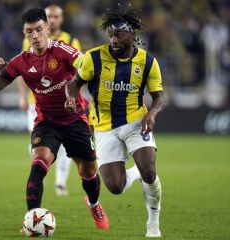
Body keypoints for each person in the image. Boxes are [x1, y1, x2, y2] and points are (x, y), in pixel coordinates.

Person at [0, 7, 109, 232]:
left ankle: (93, 203)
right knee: (38, 165)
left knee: (89, 173)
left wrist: (76, 92)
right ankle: (31, 221)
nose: (35, 36)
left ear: (48, 29)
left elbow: (89, 69)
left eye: (39, 30)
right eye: (29, 31)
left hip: (75, 120)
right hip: (47, 123)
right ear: (25, 34)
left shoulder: (64, 51)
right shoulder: (20, 61)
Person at [65, 7, 164, 237]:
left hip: (135, 122)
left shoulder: (147, 62)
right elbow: (73, 84)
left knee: (150, 171)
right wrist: (72, 98)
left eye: (118, 35)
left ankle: (153, 224)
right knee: (115, 188)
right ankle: (136, 173)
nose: (113, 40)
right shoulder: (93, 58)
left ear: (132, 34)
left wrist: (152, 113)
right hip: (103, 127)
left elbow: (159, 97)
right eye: (110, 35)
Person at [18, 4, 83, 196]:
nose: (53, 20)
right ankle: (39, 176)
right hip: (37, 101)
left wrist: (73, 95)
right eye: (49, 17)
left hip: (64, 102)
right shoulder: (29, 40)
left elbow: (79, 70)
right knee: (37, 140)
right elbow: (22, 70)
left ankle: (60, 182)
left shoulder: (71, 40)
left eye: (56, 17)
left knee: (64, 144)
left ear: (61, 20)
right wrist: (22, 97)